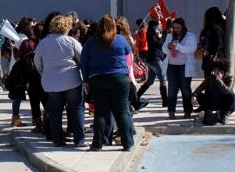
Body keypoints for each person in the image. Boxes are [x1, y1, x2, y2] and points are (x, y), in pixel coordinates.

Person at [80, 15, 134, 152]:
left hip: (98, 79)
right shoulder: (120, 39)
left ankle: (97, 144)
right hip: (120, 78)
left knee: (100, 113)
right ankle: (127, 143)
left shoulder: (91, 42)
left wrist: (85, 80)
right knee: (121, 111)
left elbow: (84, 62)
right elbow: (129, 51)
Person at [34, 15, 85, 147]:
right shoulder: (71, 41)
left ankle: (58, 140)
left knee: (55, 112)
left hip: (51, 82)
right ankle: (79, 139)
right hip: (71, 80)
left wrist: (45, 73)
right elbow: (82, 58)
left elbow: (37, 63)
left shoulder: (43, 43)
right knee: (77, 109)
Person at [162, 17, 199, 119]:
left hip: (185, 66)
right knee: (172, 89)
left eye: (178, 27)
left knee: (185, 89)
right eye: (174, 28)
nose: (176, 30)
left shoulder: (190, 36)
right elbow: (164, 50)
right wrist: (168, 47)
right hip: (172, 66)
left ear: (183, 27)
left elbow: (191, 49)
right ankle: (171, 111)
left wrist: (178, 47)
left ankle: (187, 111)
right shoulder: (170, 36)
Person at [193, 59, 235, 125]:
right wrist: (194, 95)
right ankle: (208, 113)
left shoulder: (230, 77)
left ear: (222, 71)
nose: (213, 71)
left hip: (224, 104)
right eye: (214, 69)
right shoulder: (211, 77)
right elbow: (201, 87)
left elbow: (227, 91)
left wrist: (219, 80)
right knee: (200, 96)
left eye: (215, 70)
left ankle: (224, 115)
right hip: (213, 102)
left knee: (231, 95)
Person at [136, 20, 168, 107]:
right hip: (155, 59)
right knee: (163, 79)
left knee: (150, 81)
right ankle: (165, 101)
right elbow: (158, 44)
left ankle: (137, 96)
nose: (160, 26)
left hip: (153, 59)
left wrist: (160, 35)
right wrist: (159, 36)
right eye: (159, 25)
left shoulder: (153, 33)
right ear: (154, 26)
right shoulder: (150, 34)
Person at [198, 7, 226, 79]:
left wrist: (205, 51)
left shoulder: (208, 30)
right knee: (216, 86)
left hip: (210, 62)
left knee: (211, 86)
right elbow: (218, 44)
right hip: (216, 62)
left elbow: (216, 44)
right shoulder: (219, 29)